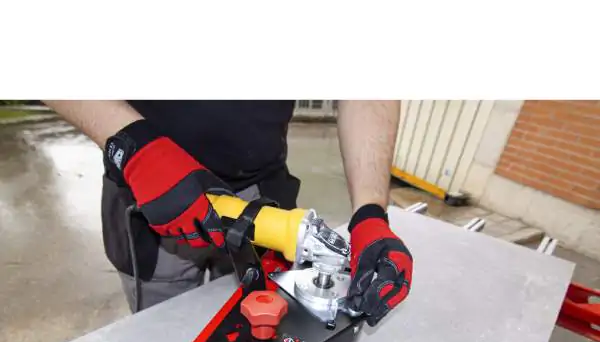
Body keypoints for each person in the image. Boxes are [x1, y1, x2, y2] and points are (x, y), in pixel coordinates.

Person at [43, 100, 413, 326]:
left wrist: (370, 212)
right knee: (162, 337)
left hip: (261, 194)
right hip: (150, 193)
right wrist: (133, 146)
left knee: (262, 330)